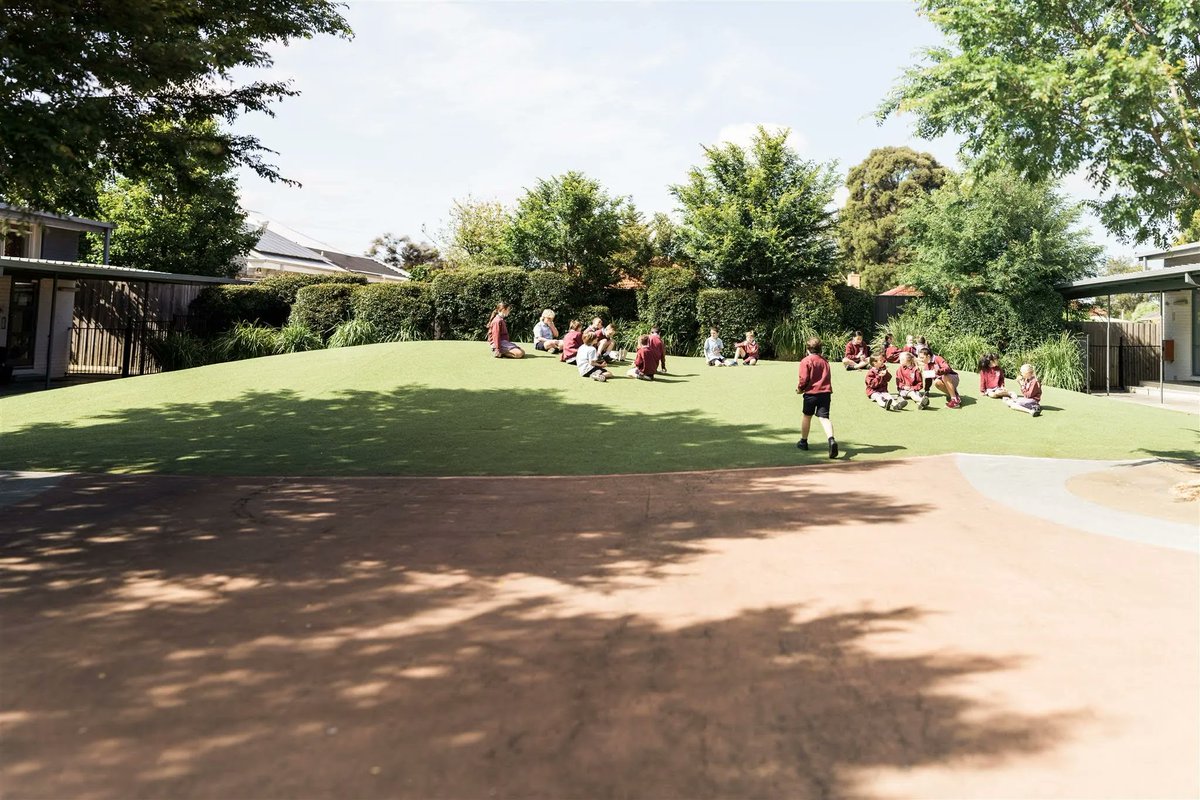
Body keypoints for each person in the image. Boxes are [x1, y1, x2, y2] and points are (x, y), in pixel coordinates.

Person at [796, 337, 838, 459]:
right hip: (825, 393)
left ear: (808, 349)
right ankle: (831, 439)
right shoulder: (825, 361)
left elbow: (803, 379)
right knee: (824, 418)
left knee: (807, 416)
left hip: (811, 394)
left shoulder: (806, 361)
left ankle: (803, 442)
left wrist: (800, 388)